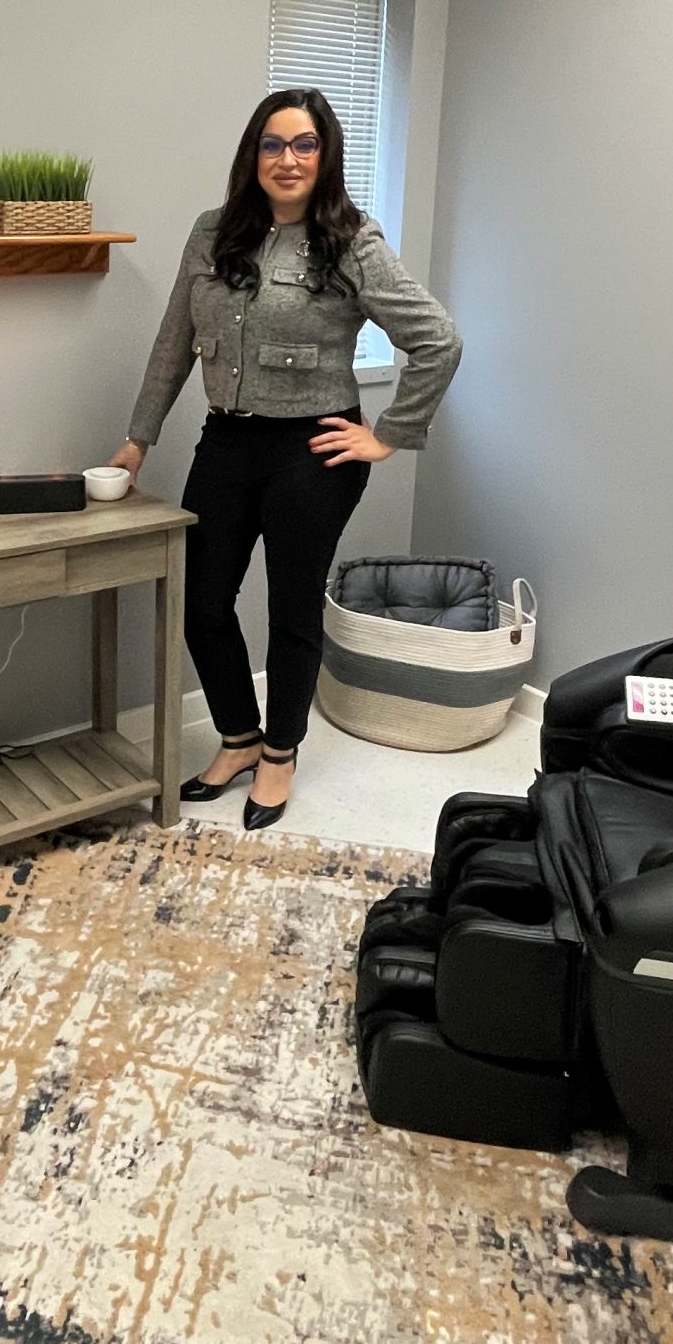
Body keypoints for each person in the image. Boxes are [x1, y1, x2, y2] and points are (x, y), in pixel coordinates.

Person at [113, 88, 462, 828]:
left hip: (315, 448)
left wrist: (390, 433)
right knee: (201, 601)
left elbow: (438, 339)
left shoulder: (351, 241)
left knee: (292, 607)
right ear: (253, 154)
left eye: (304, 144)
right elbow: (175, 341)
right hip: (228, 439)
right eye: (274, 144)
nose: (289, 159)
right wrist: (139, 437)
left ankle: (280, 752)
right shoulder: (212, 234)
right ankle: (238, 737)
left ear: (325, 154)